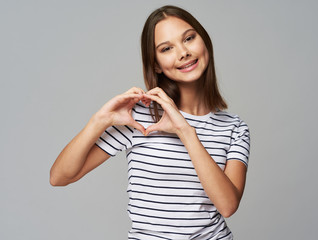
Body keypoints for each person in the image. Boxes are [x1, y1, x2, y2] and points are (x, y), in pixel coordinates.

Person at [50, 5, 250, 240]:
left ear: (204, 41)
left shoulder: (234, 128)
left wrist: (185, 131)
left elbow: (227, 205)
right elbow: (60, 177)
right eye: (166, 48)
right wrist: (99, 120)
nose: (183, 52)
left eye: (189, 38)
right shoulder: (139, 116)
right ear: (155, 64)